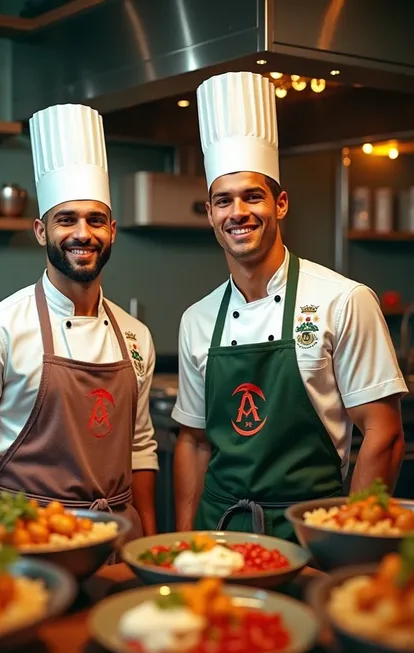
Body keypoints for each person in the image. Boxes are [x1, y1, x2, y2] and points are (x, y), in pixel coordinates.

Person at [172, 71, 407, 540]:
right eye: (224, 201)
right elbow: (193, 442)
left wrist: (349, 543)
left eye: (252, 196)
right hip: (215, 535)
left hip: (309, 533)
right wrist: (184, 539)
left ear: (280, 204)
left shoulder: (343, 300)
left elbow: (384, 434)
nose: (238, 212)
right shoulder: (196, 319)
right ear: (210, 214)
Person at [0, 103, 158, 539]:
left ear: (112, 231)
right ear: (41, 231)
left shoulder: (135, 335)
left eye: (96, 220)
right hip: (26, 539)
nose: (83, 233)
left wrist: (149, 542)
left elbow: (140, 447)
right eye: (66, 220)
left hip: (118, 538)